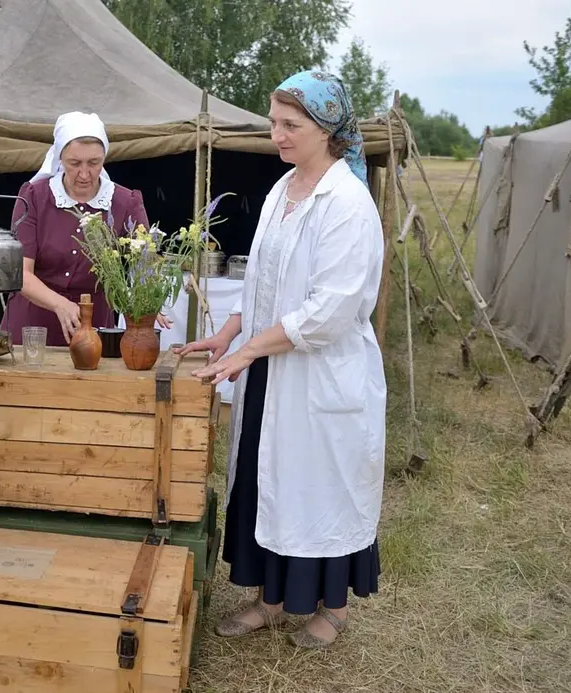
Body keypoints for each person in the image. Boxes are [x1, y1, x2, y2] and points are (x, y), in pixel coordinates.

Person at [176, 71, 386, 649]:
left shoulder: (346, 204)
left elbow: (329, 312)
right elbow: (265, 285)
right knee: (267, 483)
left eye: (290, 125)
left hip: (320, 374)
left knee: (320, 487)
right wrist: (230, 334)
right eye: (274, 122)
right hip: (271, 365)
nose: (277, 135)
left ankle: (333, 609)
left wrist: (248, 349)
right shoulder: (283, 189)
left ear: (326, 129)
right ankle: (270, 599)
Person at [0, 111, 169, 346]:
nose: (84, 173)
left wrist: (147, 298)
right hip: (31, 325)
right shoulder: (34, 197)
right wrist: (60, 304)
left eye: (94, 163)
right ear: (60, 158)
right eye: (74, 163)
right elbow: (21, 273)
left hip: (94, 327)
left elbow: (145, 264)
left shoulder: (125, 202)